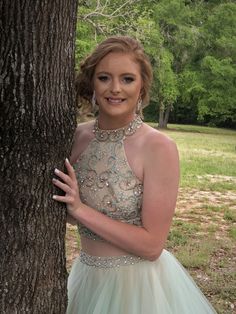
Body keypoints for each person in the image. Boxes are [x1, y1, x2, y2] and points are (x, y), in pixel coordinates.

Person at [52, 36, 216, 314]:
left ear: (142, 88)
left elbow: (152, 245)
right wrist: (72, 209)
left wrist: (80, 210)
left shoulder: (158, 147)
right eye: (104, 77)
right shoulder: (77, 137)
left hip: (138, 288)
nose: (115, 89)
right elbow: (62, 208)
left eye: (127, 79)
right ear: (92, 82)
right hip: (87, 278)